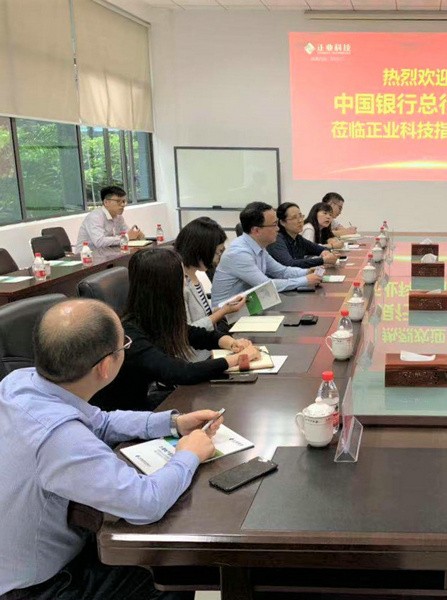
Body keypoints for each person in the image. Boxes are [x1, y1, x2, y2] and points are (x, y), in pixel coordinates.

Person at [0, 298, 222, 599]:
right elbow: (146, 504)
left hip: (22, 556)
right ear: (106, 367)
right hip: (37, 588)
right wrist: (189, 454)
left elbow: (100, 421)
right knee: (171, 575)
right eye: (124, 345)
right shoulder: (59, 439)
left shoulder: (19, 382)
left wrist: (173, 423)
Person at [91, 249, 261, 412]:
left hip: (139, 404)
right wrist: (237, 359)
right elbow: (180, 373)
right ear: (166, 287)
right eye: (182, 278)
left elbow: (189, 333)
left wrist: (229, 342)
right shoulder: (129, 335)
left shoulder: (151, 318)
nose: (185, 284)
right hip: (122, 416)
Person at [211, 202, 323, 301]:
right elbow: (266, 286)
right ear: (256, 230)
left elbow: (281, 271)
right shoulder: (239, 253)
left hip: (248, 305)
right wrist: (305, 281)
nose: (278, 229)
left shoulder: (259, 247)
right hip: (228, 314)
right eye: (274, 225)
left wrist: (306, 272)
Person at [173, 218, 246, 359]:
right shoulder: (179, 282)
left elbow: (202, 315)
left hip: (206, 349)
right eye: (218, 252)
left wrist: (225, 308)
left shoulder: (194, 275)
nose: (218, 258)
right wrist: (223, 311)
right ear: (202, 250)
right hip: (193, 357)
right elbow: (189, 331)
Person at [268, 203, 338, 269]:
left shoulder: (298, 238)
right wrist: (322, 260)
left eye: (300, 216)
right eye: (294, 217)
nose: (300, 221)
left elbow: (319, 248)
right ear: (282, 222)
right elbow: (290, 264)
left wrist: (325, 252)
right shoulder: (277, 239)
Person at [76, 185, 145, 249]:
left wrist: (136, 235)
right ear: (106, 202)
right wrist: (127, 237)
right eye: (118, 201)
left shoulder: (118, 217)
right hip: (87, 255)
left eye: (124, 201)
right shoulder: (95, 217)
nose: (123, 205)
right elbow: (99, 242)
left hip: (108, 253)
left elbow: (128, 233)